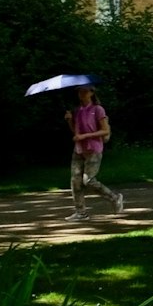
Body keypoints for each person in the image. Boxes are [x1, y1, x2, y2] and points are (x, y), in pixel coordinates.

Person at [66, 86, 122, 221]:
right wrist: (69, 120)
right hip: (79, 149)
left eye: (85, 91)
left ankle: (114, 198)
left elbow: (105, 131)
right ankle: (81, 213)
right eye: (80, 91)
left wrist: (85, 136)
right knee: (76, 181)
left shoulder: (97, 109)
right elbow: (76, 132)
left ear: (92, 93)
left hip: (94, 149)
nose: (82, 94)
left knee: (89, 180)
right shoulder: (78, 111)